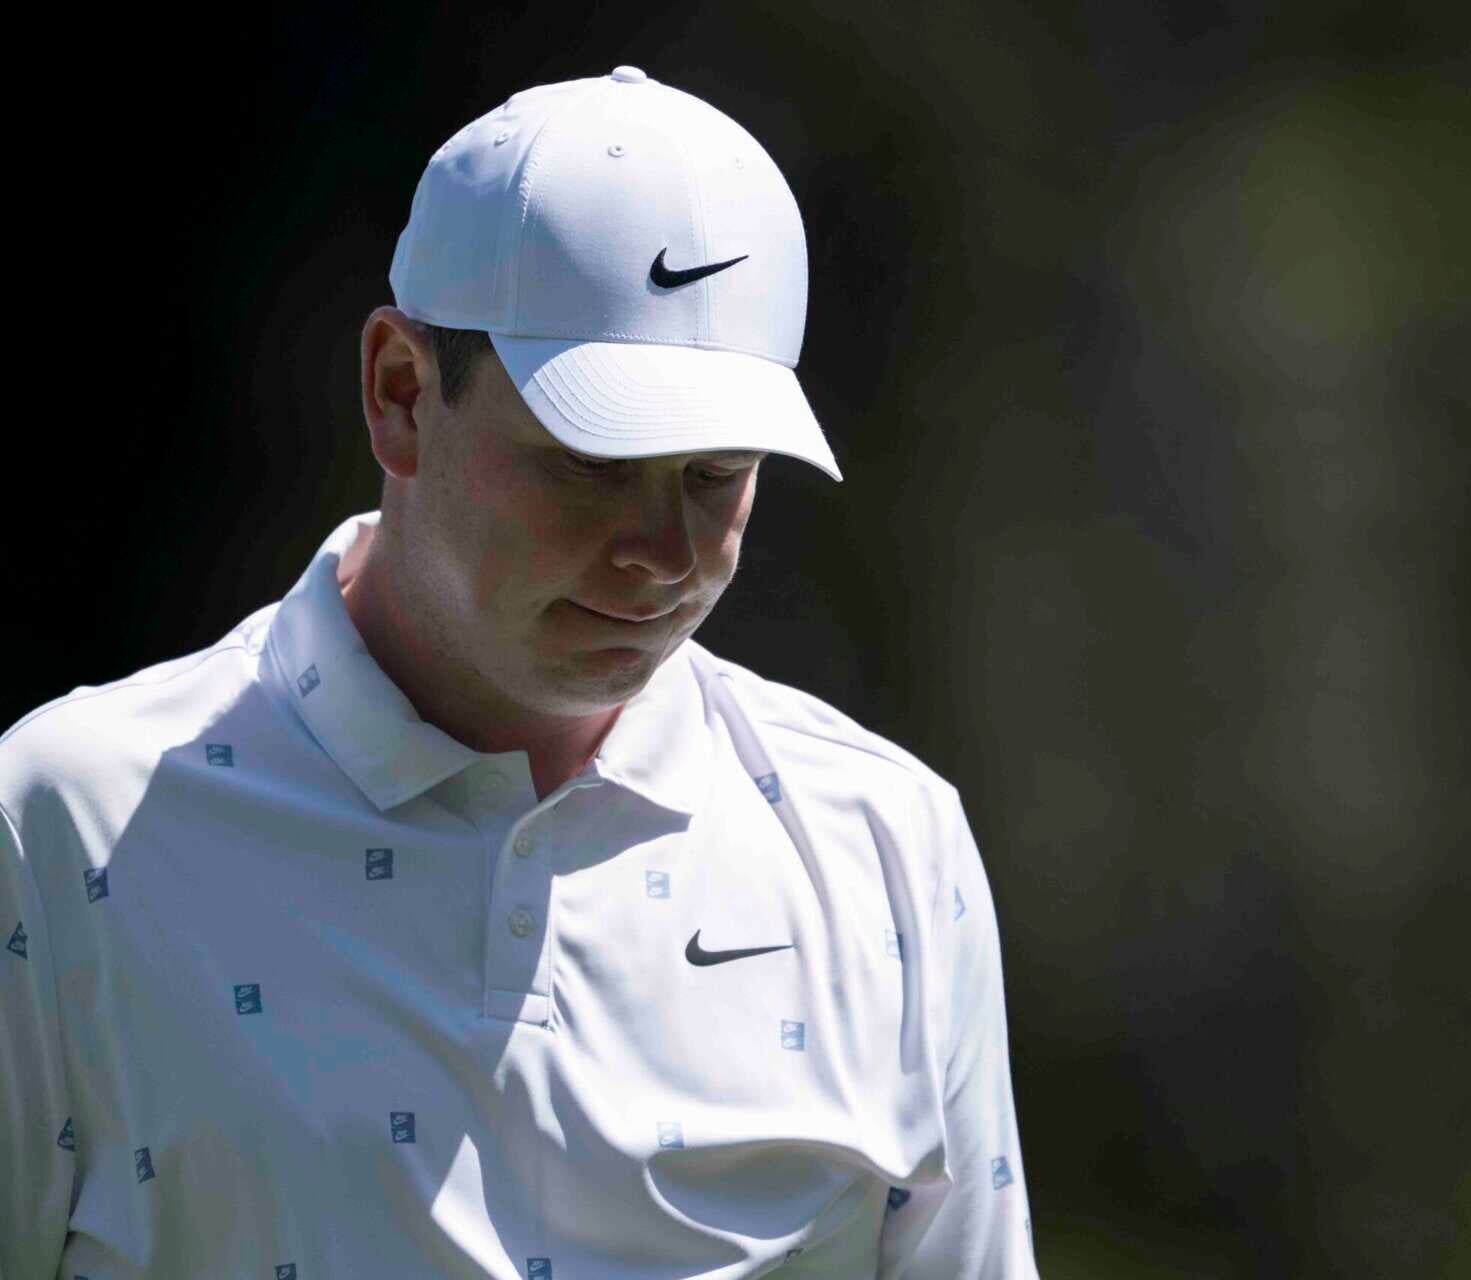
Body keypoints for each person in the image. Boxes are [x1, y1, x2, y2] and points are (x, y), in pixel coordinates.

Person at [0, 66, 1038, 1278]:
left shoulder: (891, 848)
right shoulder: (63, 828)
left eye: (717, 474)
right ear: (400, 394)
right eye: (592, 461)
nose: (661, 554)